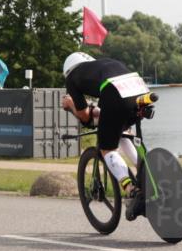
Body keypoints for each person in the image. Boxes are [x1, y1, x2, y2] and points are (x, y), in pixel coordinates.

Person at [61, 52, 149, 220]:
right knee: (122, 131)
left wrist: (71, 105)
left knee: (107, 149)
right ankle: (145, 171)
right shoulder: (104, 65)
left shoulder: (72, 77)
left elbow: (85, 116)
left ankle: (132, 190)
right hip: (140, 90)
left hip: (115, 94)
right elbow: (107, 111)